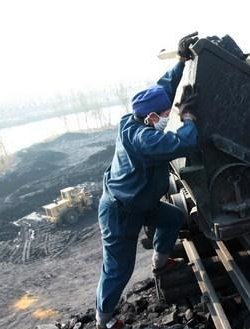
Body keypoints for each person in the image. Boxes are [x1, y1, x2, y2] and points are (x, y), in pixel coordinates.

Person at [95, 33, 199, 329]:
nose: (170, 114)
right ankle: (104, 318)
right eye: (166, 113)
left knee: (173, 217)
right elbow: (183, 143)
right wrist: (189, 117)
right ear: (153, 116)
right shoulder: (144, 139)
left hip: (141, 202)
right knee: (118, 268)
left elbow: (162, 88)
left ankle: (160, 261)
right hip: (120, 211)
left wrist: (181, 61)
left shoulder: (134, 117)